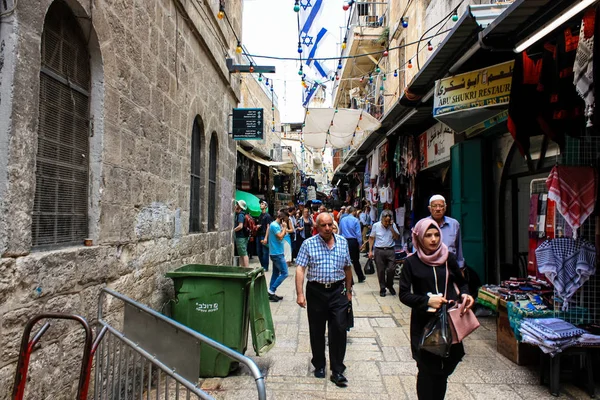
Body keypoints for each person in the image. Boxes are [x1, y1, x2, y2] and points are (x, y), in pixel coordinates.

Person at [398, 218, 474, 400]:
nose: (433, 239)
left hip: (448, 321)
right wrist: (426, 302)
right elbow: (404, 295)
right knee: (425, 368)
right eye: (428, 235)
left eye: (436, 235)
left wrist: (465, 294)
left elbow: (462, 282)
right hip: (424, 323)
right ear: (418, 238)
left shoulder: (448, 258)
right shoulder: (411, 263)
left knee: (444, 366)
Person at [295, 213, 353, 387]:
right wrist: (300, 293)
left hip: (338, 291)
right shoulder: (308, 244)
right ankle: (319, 364)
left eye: (330, 225)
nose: (327, 228)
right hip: (316, 292)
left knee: (339, 329)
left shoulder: (342, 242)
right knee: (317, 330)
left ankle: (337, 370)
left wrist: (349, 291)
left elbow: (348, 267)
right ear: (317, 227)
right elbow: (300, 269)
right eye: (323, 226)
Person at [368, 209, 400, 296]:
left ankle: (389, 285)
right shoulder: (376, 225)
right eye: (385, 221)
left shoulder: (392, 225)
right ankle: (382, 288)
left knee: (391, 269)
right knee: (381, 270)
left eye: (388, 221)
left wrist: (391, 228)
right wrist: (370, 251)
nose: (386, 223)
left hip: (390, 250)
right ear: (381, 219)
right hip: (379, 250)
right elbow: (371, 238)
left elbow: (397, 237)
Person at [428, 195, 464, 269]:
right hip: (430, 268)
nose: (438, 209)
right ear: (430, 208)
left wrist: (461, 267)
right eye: (434, 206)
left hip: (450, 267)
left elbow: (458, 248)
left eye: (441, 206)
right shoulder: (422, 225)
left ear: (445, 208)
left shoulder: (454, 224)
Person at [338, 206, 366, 283]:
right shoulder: (355, 220)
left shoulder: (342, 220)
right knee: (356, 260)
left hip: (344, 241)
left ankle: (349, 278)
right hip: (353, 241)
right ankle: (360, 277)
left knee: (346, 260)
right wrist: (360, 244)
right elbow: (358, 234)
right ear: (353, 212)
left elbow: (339, 231)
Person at [267, 209, 290, 302]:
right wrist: (284, 228)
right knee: (285, 273)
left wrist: (283, 229)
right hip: (276, 253)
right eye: (285, 220)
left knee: (276, 273)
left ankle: (271, 293)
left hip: (277, 252)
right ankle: (271, 290)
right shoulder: (274, 225)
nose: (285, 222)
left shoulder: (276, 225)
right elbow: (280, 236)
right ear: (281, 218)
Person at [256, 200, 272, 271]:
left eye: (262, 204)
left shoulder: (267, 216)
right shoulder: (260, 215)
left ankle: (265, 267)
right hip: (259, 234)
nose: (261, 205)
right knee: (259, 251)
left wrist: (266, 237)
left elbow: (268, 226)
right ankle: (262, 266)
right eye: (260, 204)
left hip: (264, 235)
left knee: (265, 252)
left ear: (265, 206)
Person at [233, 200, 249, 267]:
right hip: (242, 236)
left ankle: (246, 268)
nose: (236, 205)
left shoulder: (240, 215)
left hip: (241, 237)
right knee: (241, 254)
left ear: (239, 206)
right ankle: (243, 268)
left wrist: (233, 230)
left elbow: (240, 226)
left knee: (243, 253)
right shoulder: (242, 214)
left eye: (237, 204)